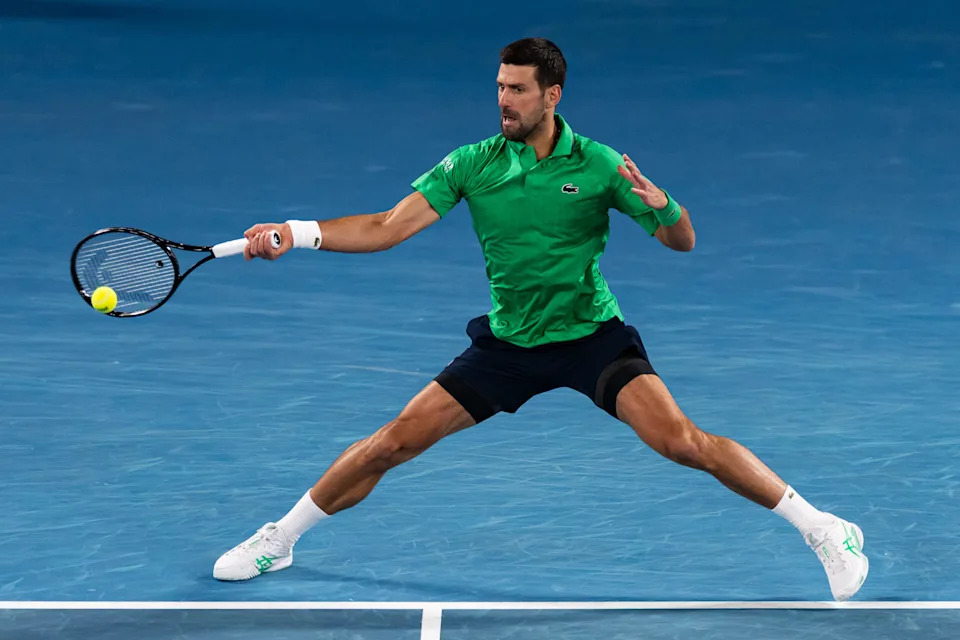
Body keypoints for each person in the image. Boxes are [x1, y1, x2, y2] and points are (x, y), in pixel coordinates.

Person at [213, 37, 868, 601]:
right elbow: (387, 227)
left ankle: (822, 528)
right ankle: (283, 537)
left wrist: (664, 206)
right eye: (499, 87)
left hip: (591, 339)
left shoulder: (603, 166)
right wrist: (295, 233)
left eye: (518, 90)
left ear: (552, 95)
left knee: (681, 442)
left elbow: (682, 242)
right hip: (509, 345)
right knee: (392, 443)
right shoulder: (472, 164)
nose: (504, 100)